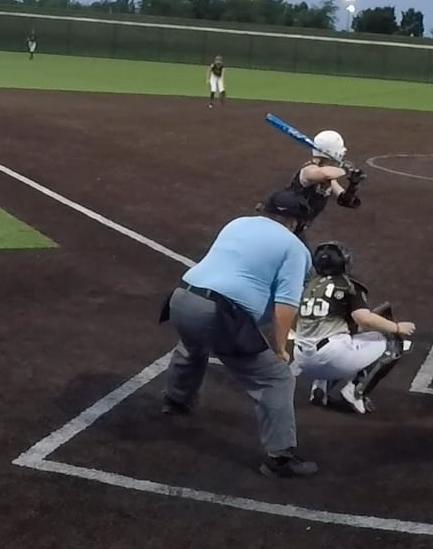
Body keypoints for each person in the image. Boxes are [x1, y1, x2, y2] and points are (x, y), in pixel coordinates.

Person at [159, 190, 318, 478]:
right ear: (297, 221)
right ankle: (280, 458)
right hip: (218, 313)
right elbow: (286, 304)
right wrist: (280, 348)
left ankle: (175, 400)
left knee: (193, 345)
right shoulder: (295, 248)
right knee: (276, 378)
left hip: (180, 299)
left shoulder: (238, 223)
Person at [293, 242, 416, 414]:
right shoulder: (347, 286)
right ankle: (355, 391)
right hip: (332, 357)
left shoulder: (307, 286)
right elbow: (363, 319)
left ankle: (320, 386)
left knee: (341, 335)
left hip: (301, 358)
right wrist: (396, 327)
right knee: (392, 342)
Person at [285, 129, 362, 239]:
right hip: (284, 228)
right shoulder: (309, 170)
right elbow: (324, 174)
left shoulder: (328, 178)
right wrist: (345, 169)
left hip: (296, 229)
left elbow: (346, 201)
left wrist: (353, 185)